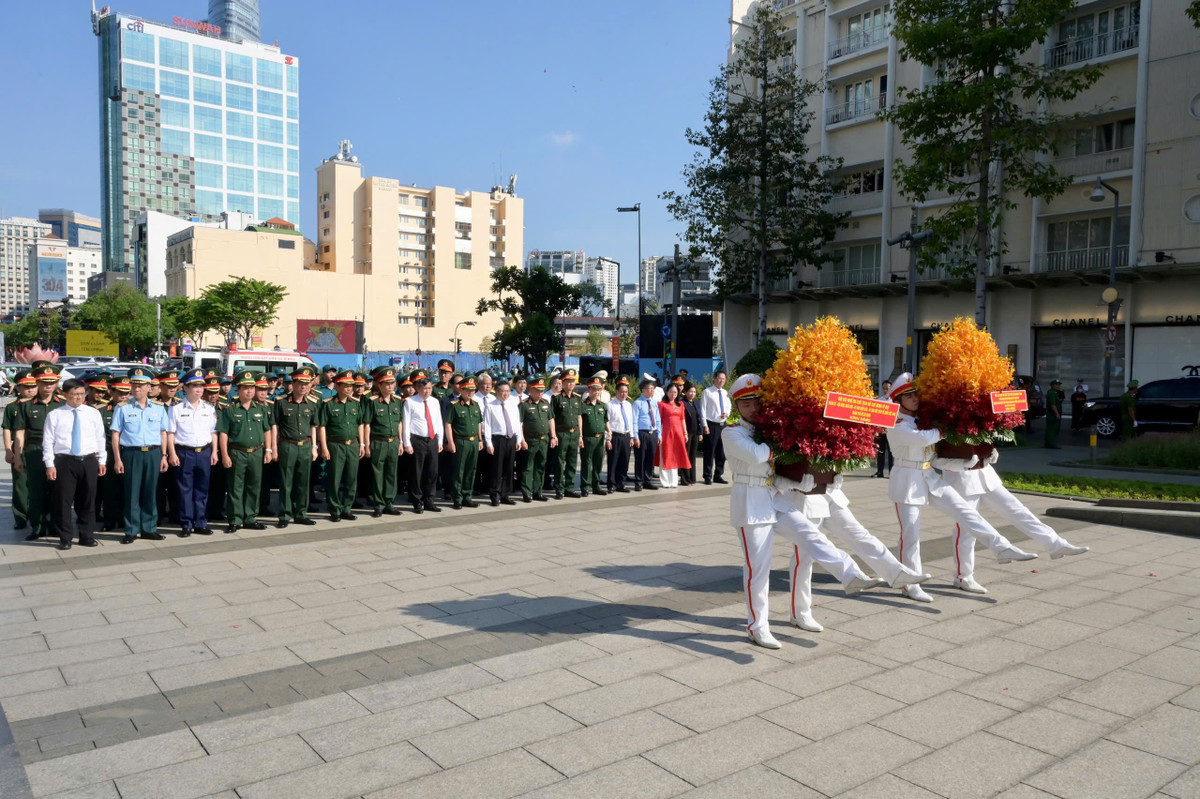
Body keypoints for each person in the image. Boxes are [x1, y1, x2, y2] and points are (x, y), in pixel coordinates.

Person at [725, 374, 886, 648]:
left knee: (811, 535)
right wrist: (794, 435)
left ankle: (850, 574)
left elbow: (775, 472)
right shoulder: (732, 432)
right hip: (750, 503)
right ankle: (757, 627)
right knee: (758, 568)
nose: (753, 408)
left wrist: (796, 480)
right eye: (746, 404)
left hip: (772, 494)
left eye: (757, 403)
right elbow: (758, 455)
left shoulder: (770, 431)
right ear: (736, 406)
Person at [885, 373, 1036, 602]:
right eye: (909, 396)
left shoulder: (921, 419)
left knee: (965, 512)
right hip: (907, 480)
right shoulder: (896, 423)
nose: (915, 399)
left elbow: (935, 457)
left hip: (928, 475)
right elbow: (922, 439)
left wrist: (968, 461)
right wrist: (952, 426)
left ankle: (1001, 547)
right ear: (898, 400)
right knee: (911, 534)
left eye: (916, 395)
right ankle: (910, 584)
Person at [939, 448, 1089, 595]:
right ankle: (963, 576)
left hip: (986, 477)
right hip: (961, 481)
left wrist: (989, 452)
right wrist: (964, 463)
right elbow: (938, 458)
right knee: (966, 530)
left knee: (1018, 510)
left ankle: (1055, 544)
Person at [42, 379, 107, 550]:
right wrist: (49, 464)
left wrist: (102, 460)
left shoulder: (93, 413)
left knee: (88, 500)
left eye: (81, 394)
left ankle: (86, 535)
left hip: (89, 460)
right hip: (64, 461)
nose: (79, 397)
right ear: (65, 395)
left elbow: (100, 438)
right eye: (74, 394)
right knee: (63, 501)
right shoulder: (55, 415)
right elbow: (48, 441)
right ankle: (65, 538)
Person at [110, 366, 170, 544]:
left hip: (153, 453)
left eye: (141, 385)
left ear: (149, 387)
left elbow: (163, 433)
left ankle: (149, 528)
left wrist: (164, 455)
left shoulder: (159, 408)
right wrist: (117, 458)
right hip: (132, 453)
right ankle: (131, 530)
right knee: (132, 493)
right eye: (134, 385)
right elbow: (116, 434)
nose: (137, 389)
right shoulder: (122, 408)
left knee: (151, 492)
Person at [12, 362, 65, 541]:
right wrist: (17, 457)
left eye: (52, 382)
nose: (48, 386)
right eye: (44, 382)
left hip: (59, 451)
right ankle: (38, 527)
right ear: (38, 383)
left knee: (58, 490)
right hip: (35, 450)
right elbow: (19, 433)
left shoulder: (63, 404)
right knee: (36, 491)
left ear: (56, 383)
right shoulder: (26, 405)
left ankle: (56, 525)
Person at [218, 371, 273, 533]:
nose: (249, 391)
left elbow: (267, 430)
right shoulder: (229, 410)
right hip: (237, 452)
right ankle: (235, 520)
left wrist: (268, 450)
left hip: (256, 452)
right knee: (235, 487)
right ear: (238, 389)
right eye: (245, 388)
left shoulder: (261, 409)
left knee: (254, 486)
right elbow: (223, 433)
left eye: (252, 388)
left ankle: (250, 518)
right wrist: (225, 455)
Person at [166, 368, 219, 537]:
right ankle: (186, 523)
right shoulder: (176, 408)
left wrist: (214, 452)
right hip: (184, 453)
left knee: (202, 489)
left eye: (201, 386)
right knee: (185, 490)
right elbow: (170, 433)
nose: (199, 390)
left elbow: (213, 432)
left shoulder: (208, 408)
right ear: (186, 388)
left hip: (204, 452)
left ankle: (201, 522)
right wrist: (172, 454)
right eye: (195, 386)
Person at [272, 365, 320, 528]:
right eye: (300, 383)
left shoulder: (312, 403)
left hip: (305, 445)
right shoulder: (281, 402)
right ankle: (284, 515)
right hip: (288, 445)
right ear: (293, 383)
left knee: (303, 482)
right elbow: (275, 426)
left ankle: (301, 514)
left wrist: (314, 448)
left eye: (306, 384)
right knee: (286, 482)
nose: (303, 387)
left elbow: (313, 426)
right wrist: (274, 448)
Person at [318, 369, 366, 522]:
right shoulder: (328, 404)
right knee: (334, 478)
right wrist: (324, 447)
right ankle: (334, 509)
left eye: (351, 385)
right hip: (335, 445)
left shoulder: (356, 404)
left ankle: (347, 508)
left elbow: (360, 424)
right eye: (345, 385)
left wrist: (362, 443)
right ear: (337, 386)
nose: (349, 388)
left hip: (352, 445)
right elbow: (322, 427)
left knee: (351, 478)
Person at [362, 366, 404, 518]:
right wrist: (366, 445)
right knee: (377, 474)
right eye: (386, 384)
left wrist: (401, 441)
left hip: (393, 442)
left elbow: (399, 422)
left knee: (391, 474)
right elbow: (367, 424)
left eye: (392, 383)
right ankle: (378, 505)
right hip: (378, 442)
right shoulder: (372, 401)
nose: (390, 386)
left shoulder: (397, 401)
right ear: (379, 385)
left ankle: (389, 503)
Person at [403, 372, 443, 513]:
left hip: (432, 440)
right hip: (417, 440)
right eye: (424, 388)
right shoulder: (410, 402)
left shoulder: (435, 402)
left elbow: (438, 422)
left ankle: (429, 500)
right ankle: (417, 501)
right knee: (417, 472)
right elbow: (406, 423)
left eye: (429, 388)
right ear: (418, 388)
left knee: (432, 472)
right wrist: (407, 443)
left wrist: (440, 440)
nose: (427, 391)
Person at [2, 370, 37, 530]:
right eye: (26, 386)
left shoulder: (42, 405)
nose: (30, 390)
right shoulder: (12, 407)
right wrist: (8, 450)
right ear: (18, 387)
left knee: (40, 485)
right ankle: (21, 517)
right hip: (19, 450)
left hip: (38, 449)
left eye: (33, 386)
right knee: (20, 485)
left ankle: (39, 515)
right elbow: (7, 429)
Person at [445, 375, 484, 509]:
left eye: (473, 390)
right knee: (459, 470)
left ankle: (467, 496)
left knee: (471, 470)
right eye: (468, 390)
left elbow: (479, 423)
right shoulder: (454, 406)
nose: (470, 392)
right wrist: (450, 442)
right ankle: (457, 498)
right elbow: (448, 424)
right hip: (461, 441)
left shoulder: (475, 405)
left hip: (473, 441)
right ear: (461, 390)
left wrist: (480, 439)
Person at [483, 377, 523, 506]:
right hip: (498, 439)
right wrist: (489, 443)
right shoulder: (490, 406)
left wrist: (518, 439)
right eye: (503, 391)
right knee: (497, 469)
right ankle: (495, 494)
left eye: (508, 391)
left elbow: (517, 423)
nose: (506, 393)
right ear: (496, 391)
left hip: (511, 439)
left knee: (509, 468)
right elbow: (487, 426)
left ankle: (506, 494)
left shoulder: (513, 405)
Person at [519, 376, 556, 502]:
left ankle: (537, 492)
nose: (540, 393)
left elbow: (551, 420)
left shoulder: (545, 403)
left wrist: (553, 436)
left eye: (542, 391)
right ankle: (526, 493)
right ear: (531, 390)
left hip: (544, 440)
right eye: (537, 390)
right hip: (530, 439)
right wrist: (522, 440)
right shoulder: (524, 405)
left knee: (541, 466)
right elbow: (519, 424)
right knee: (528, 467)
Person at [552, 369, 583, 499]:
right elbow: (552, 418)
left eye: (572, 382)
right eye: (568, 382)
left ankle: (569, 488)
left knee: (572, 461)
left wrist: (580, 435)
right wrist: (553, 435)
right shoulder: (556, 398)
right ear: (563, 383)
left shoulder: (577, 398)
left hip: (574, 433)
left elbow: (579, 417)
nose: (571, 384)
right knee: (560, 462)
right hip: (562, 434)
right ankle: (559, 488)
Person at [579, 375, 610, 496]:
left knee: (598, 463)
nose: (596, 392)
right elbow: (580, 421)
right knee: (586, 463)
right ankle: (585, 487)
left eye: (598, 390)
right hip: (588, 438)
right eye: (594, 389)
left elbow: (605, 420)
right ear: (589, 390)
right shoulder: (583, 405)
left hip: (600, 438)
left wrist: (609, 431)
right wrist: (580, 436)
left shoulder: (602, 405)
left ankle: (596, 486)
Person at [656, 382, 690, 488]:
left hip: (678, 433)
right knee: (666, 455)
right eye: (671, 392)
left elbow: (682, 419)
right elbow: (658, 421)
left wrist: (685, 433)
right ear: (666, 392)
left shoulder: (680, 405)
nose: (673, 394)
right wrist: (659, 434)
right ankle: (665, 481)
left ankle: (674, 481)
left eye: (675, 392)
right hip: (666, 433)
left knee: (675, 456)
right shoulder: (662, 404)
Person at [605, 376, 634, 493]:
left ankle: (621, 484)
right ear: (616, 391)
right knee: (613, 462)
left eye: (626, 392)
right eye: (621, 392)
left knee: (624, 461)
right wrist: (608, 439)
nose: (624, 394)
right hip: (615, 436)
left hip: (626, 436)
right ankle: (611, 484)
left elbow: (631, 421)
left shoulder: (628, 405)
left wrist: (632, 436)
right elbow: (606, 422)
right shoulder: (610, 405)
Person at [700, 371, 730, 485]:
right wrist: (704, 425)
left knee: (721, 452)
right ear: (714, 378)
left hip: (723, 425)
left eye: (723, 379)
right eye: (719, 378)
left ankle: (718, 475)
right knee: (709, 452)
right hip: (711, 425)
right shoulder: (707, 392)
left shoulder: (725, 393)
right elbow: (702, 410)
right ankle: (707, 476)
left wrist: (727, 413)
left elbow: (729, 406)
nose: (721, 381)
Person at [632, 378, 661, 490]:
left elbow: (657, 419)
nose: (652, 391)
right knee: (640, 458)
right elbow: (634, 420)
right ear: (643, 390)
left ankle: (648, 480)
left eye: (653, 389)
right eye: (649, 389)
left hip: (652, 433)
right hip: (642, 433)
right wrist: (636, 436)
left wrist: (659, 434)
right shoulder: (637, 403)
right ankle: (639, 481)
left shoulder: (654, 402)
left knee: (650, 458)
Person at [681, 382, 702, 486]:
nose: (692, 394)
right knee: (686, 456)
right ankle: (685, 479)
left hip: (695, 433)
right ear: (685, 392)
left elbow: (699, 418)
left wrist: (700, 432)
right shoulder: (682, 403)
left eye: (694, 392)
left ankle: (692, 478)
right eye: (690, 391)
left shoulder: (696, 403)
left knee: (693, 456)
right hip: (686, 433)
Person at [875, 379, 893, 478]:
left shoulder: (894, 401)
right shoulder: (879, 401)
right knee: (880, 452)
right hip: (881, 431)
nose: (886, 390)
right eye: (884, 388)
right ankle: (880, 472)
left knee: (891, 453)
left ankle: (892, 473)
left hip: (891, 431)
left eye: (887, 388)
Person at [1045, 379, 1063, 449]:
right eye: (1056, 385)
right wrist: (1057, 413)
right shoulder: (1052, 393)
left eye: (1059, 385)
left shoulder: (1055, 393)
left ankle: (1050, 443)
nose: (1058, 386)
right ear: (1052, 385)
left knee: (1054, 429)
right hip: (1052, 414)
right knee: (1051, 429)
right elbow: (1053, 404)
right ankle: (1050, 443)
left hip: (1053, 414)